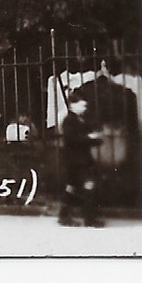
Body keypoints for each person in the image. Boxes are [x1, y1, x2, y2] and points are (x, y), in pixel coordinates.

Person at [59, 95, 104, 227]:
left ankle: (64, 216)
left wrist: (94, 138)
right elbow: (73, 140)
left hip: (77, 160)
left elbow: (84, 137)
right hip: (78, 160)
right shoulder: (69, 121)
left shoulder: (78, 119)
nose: (85, 108)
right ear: (72, 105)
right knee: (88, 186)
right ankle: (89, 219)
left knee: (72, 187)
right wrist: (91, 138)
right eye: (82, 105)